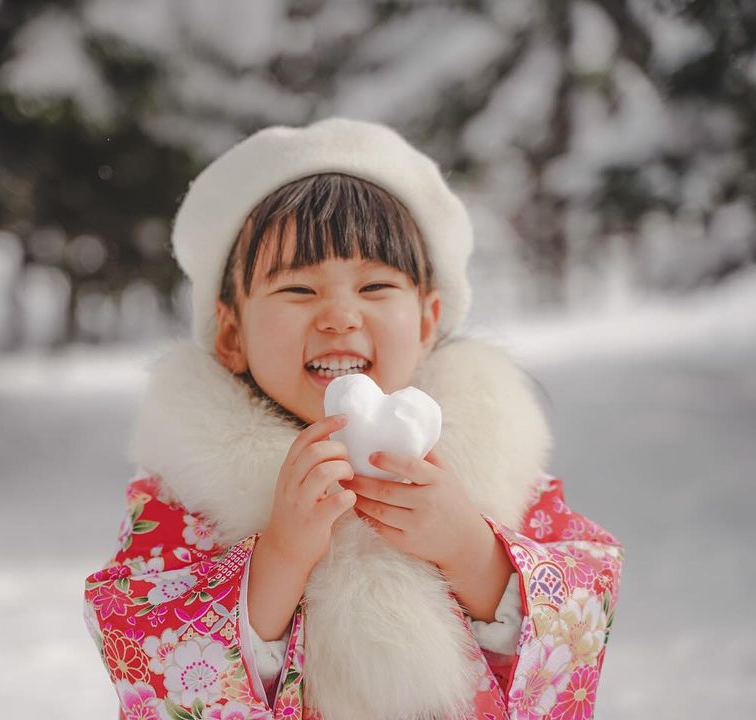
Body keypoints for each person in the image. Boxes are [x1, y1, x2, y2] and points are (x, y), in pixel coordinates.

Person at [84, 118, 622, 720]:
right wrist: (281, 556)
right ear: (231, 334)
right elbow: (142, 640)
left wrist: (471, 550)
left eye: (375, 286)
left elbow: (583, 601)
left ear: (427, 321)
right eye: (298, 290)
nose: (340, 317)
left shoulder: (495, 467)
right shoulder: (187, 496)